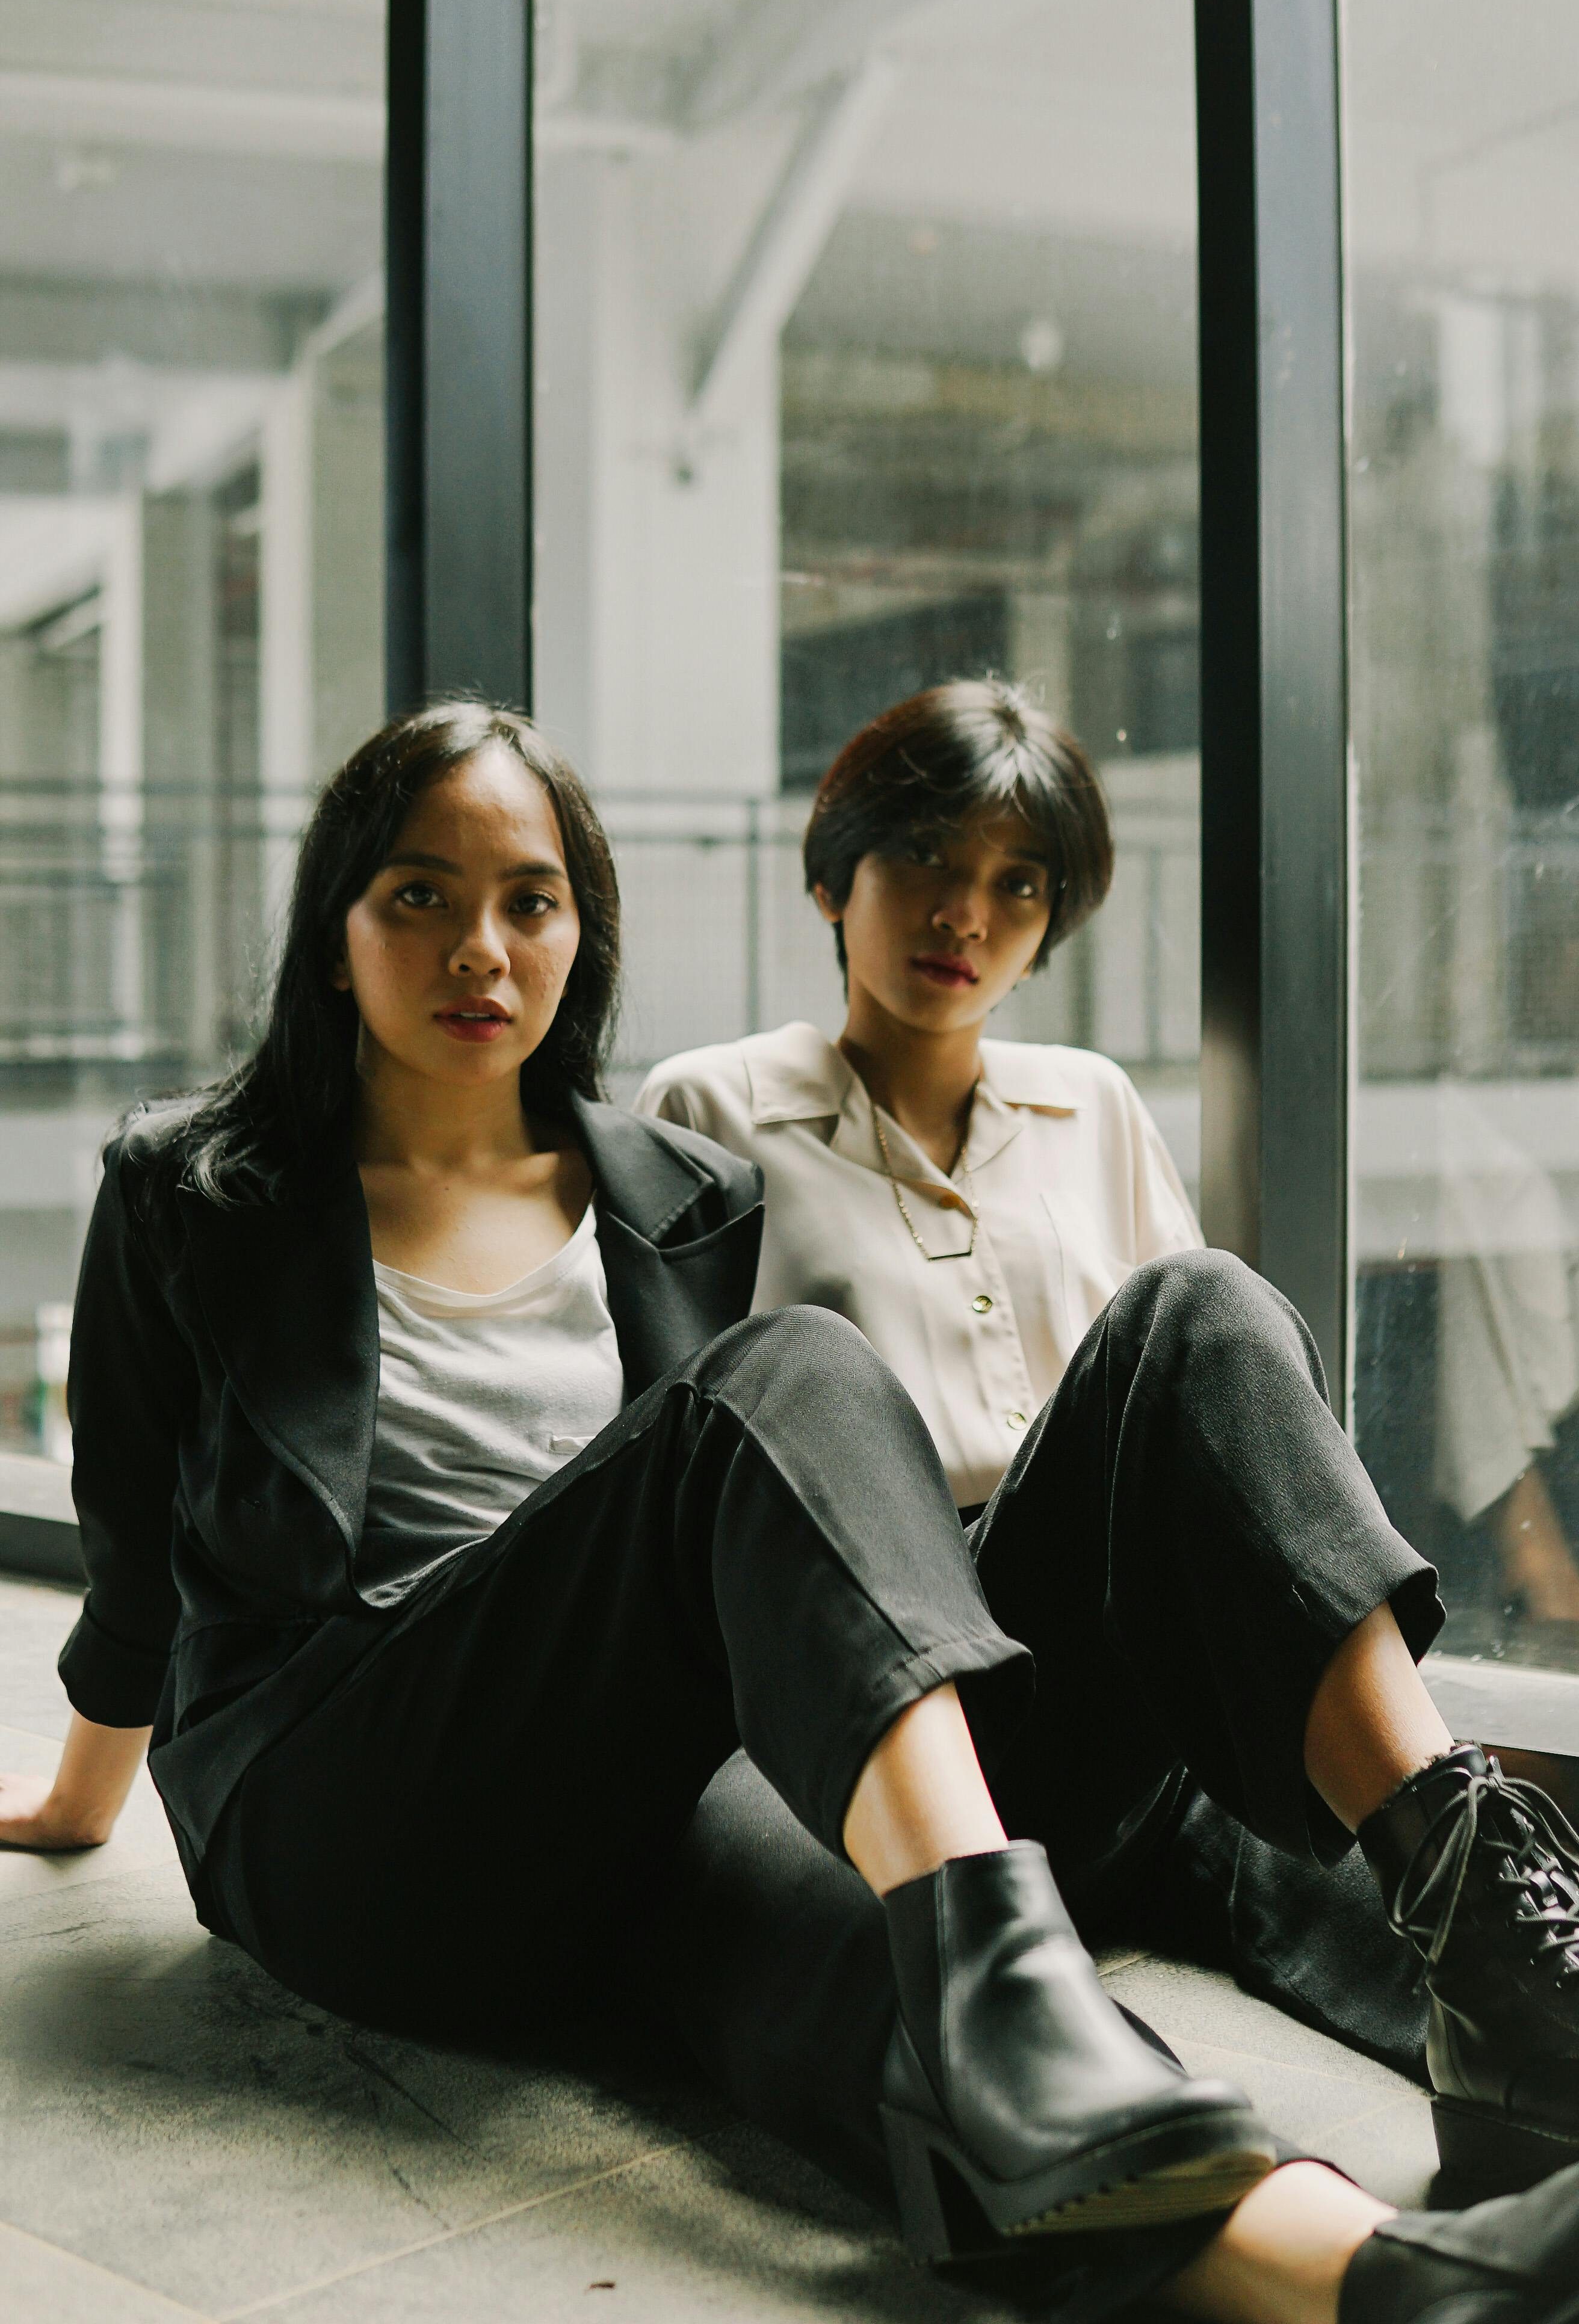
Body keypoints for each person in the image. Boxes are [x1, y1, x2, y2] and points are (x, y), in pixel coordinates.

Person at [0, 699, 1571, 2324]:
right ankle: (1002, 1969)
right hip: (348, 1803)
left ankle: (1387, 2261)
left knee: (1191, 1331)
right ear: (334, 934)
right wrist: (84, 1797)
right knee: (795, 1376)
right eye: (418, 894)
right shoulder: (196, 1195)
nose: (480, 943)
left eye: (528, 900)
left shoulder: (680, 1196)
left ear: (579, 937)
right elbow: (132, 1562)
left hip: (632, 1776)